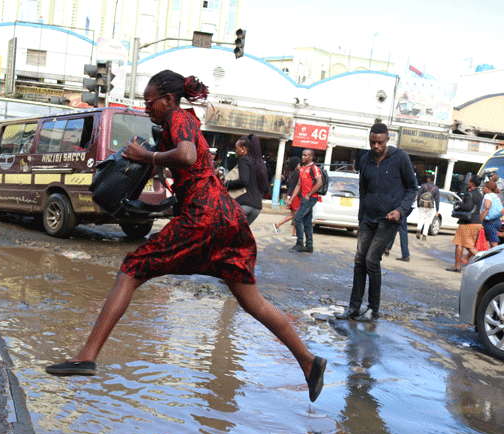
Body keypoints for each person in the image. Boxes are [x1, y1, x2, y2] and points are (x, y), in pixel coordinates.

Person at [44, 70, 327, 403]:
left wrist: (146, 157)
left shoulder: (180, 120)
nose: (146, 107)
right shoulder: (173, 128)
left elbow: (187, 156)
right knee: (252, 302)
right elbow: (183, 176)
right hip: (225, 217)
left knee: (131, 269)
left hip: (205, 216)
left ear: (167, 99)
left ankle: (87, 356)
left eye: (149, 102)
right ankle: (309, 363)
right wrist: (143, 194)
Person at [335, 123, 417, 321]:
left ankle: (373, 309)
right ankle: (354, 308)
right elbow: (363, 191)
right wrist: (361, 218)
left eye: (380, 142)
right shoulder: (365, 160)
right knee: (359, 261)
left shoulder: (400, 158)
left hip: (389, 219)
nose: (376, 146)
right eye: (372, 142)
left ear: (388, 139)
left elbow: (413, 188)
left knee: (372, 259)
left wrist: (400, 210)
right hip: (368, 218)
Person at [223, 134, 269, 225]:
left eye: (237, 149)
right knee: (240, 236)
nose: (236, 151)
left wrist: (227, 183)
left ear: (243, 148)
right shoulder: (259, 163)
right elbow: (266, 187)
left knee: (228, 232)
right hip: (256, 208)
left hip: (244, 206)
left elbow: (244, 181)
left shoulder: (244, 160)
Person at [287, 149, 322, 253]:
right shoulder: (302, 169)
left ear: (311, 157)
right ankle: (309, 246)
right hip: (305, 197)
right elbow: (298, 185)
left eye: (306, 155)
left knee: (297, 218)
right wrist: (291, 199)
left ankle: (300, 244)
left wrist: (309, 195)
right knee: (307, 222)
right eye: (302, 155)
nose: (303, 157)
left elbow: (319, 183)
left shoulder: (314, 168)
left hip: (310, 198)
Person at [448, 175, 484, 271]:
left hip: (467, 222)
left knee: (459, 243)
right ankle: (484, 262)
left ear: (472, 183)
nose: (467, 183)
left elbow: (467, 207)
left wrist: (460, 205)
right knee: (469, 245)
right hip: (476, 222)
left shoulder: (469, 194)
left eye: (468, 181)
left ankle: (457, 266)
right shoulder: (480, 194)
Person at [273, 156, 301, 235]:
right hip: (294, 196)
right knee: (295, 215)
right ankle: (278, 225)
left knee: (294, 215)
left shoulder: (291, 174)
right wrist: (289, 198)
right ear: (295, 166)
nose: (300, 166)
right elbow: (292, 186)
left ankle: (294, 233)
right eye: (299, 165)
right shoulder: (296, 174)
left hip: (292, 195)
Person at [415, 174, 439, 242]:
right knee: (427, 220)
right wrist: (437, 210)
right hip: (430, 206)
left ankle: (419, 229)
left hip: (422, 206)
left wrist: (418, 205)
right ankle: (424, 235)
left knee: (421, 218)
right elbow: (437, 200)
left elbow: (418, 196)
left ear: (428, 179)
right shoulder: (436, 188)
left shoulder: (423, 186)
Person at [480, 179, 503, 248]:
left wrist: (480, 220)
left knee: (493, 242)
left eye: (483, 188)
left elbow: (486, 208)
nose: (483, 190)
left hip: (490, 222)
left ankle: (497, 257)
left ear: (488, 188)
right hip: (497, 220)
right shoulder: (496, 196)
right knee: (486, 239)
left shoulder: (488, 195)